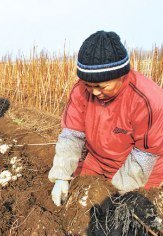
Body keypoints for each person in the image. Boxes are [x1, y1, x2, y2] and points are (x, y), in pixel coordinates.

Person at [48, 30, 163, 206]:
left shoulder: (147, 100)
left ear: (121, 75)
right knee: (79, 206)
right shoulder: (80, 91)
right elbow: (71, 136)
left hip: (142, 169)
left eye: (101, 86)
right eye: (88, 84)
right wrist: (61, 176)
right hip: (98, 161)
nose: (94, 92)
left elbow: (144, 156)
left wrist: (116, 195)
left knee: (125, 215)